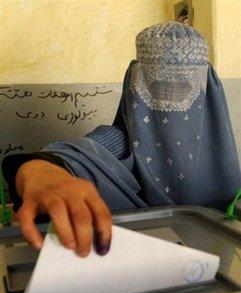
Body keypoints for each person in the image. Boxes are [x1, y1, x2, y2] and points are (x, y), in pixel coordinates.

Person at [2, 22, 241, 257]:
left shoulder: (220, 152)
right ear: (136, 86)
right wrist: (40, 171)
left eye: (183, 87)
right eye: (157, 85)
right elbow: (72, 155)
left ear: (206, 90)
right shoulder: (123, 142)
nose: (169, 98)